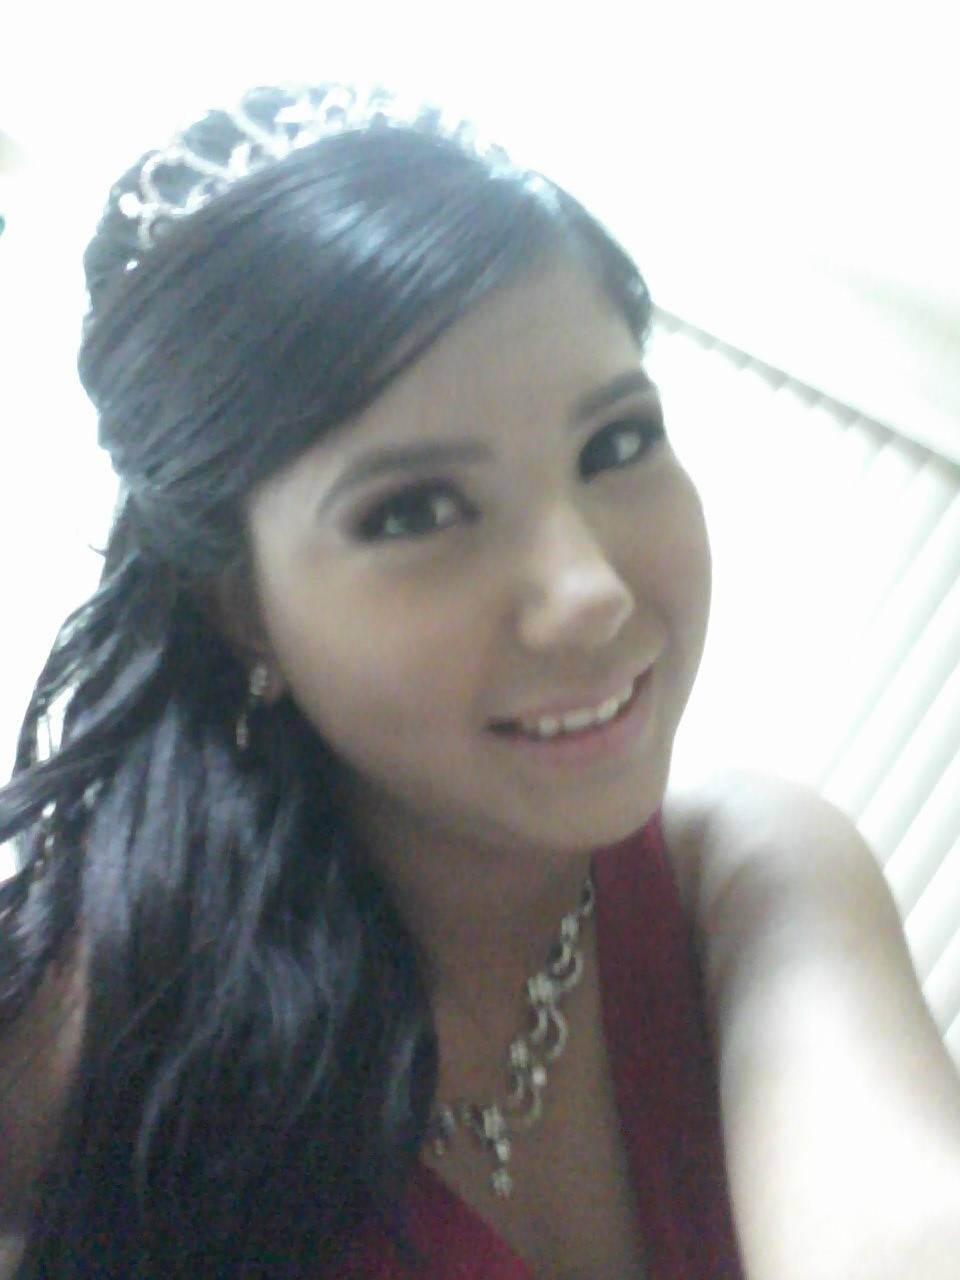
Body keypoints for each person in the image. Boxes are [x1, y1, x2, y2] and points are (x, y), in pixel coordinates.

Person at [1, 81, 959, 1280]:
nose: (590, 589)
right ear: (238, 604)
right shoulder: (95, 1020)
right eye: (416, 510)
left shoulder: (750, 871)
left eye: (617, 443)